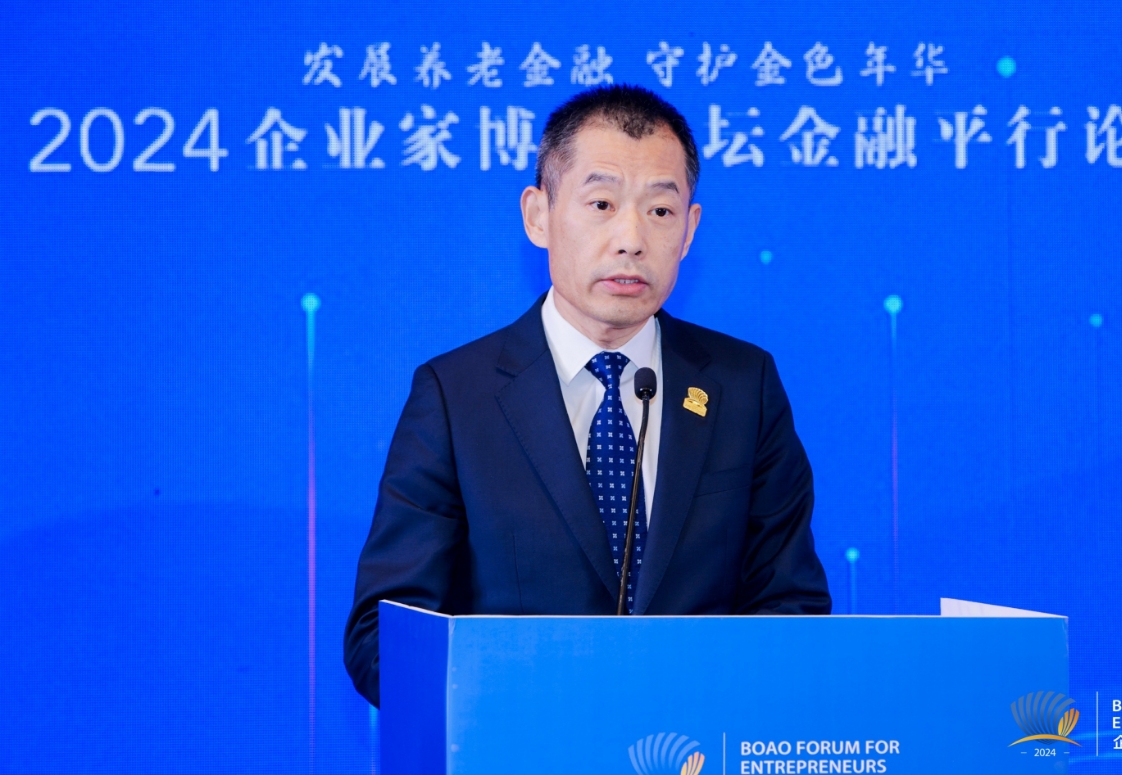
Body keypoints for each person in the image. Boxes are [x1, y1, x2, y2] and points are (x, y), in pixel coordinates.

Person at [344, 85, 829, 706]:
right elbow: (385, 638)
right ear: (538, 215)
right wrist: (535, 709)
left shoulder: (743, 386)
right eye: (601, 203)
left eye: (660, 211)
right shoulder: (456, 397)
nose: (631, 238)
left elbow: (791, 608)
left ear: (689, 230)